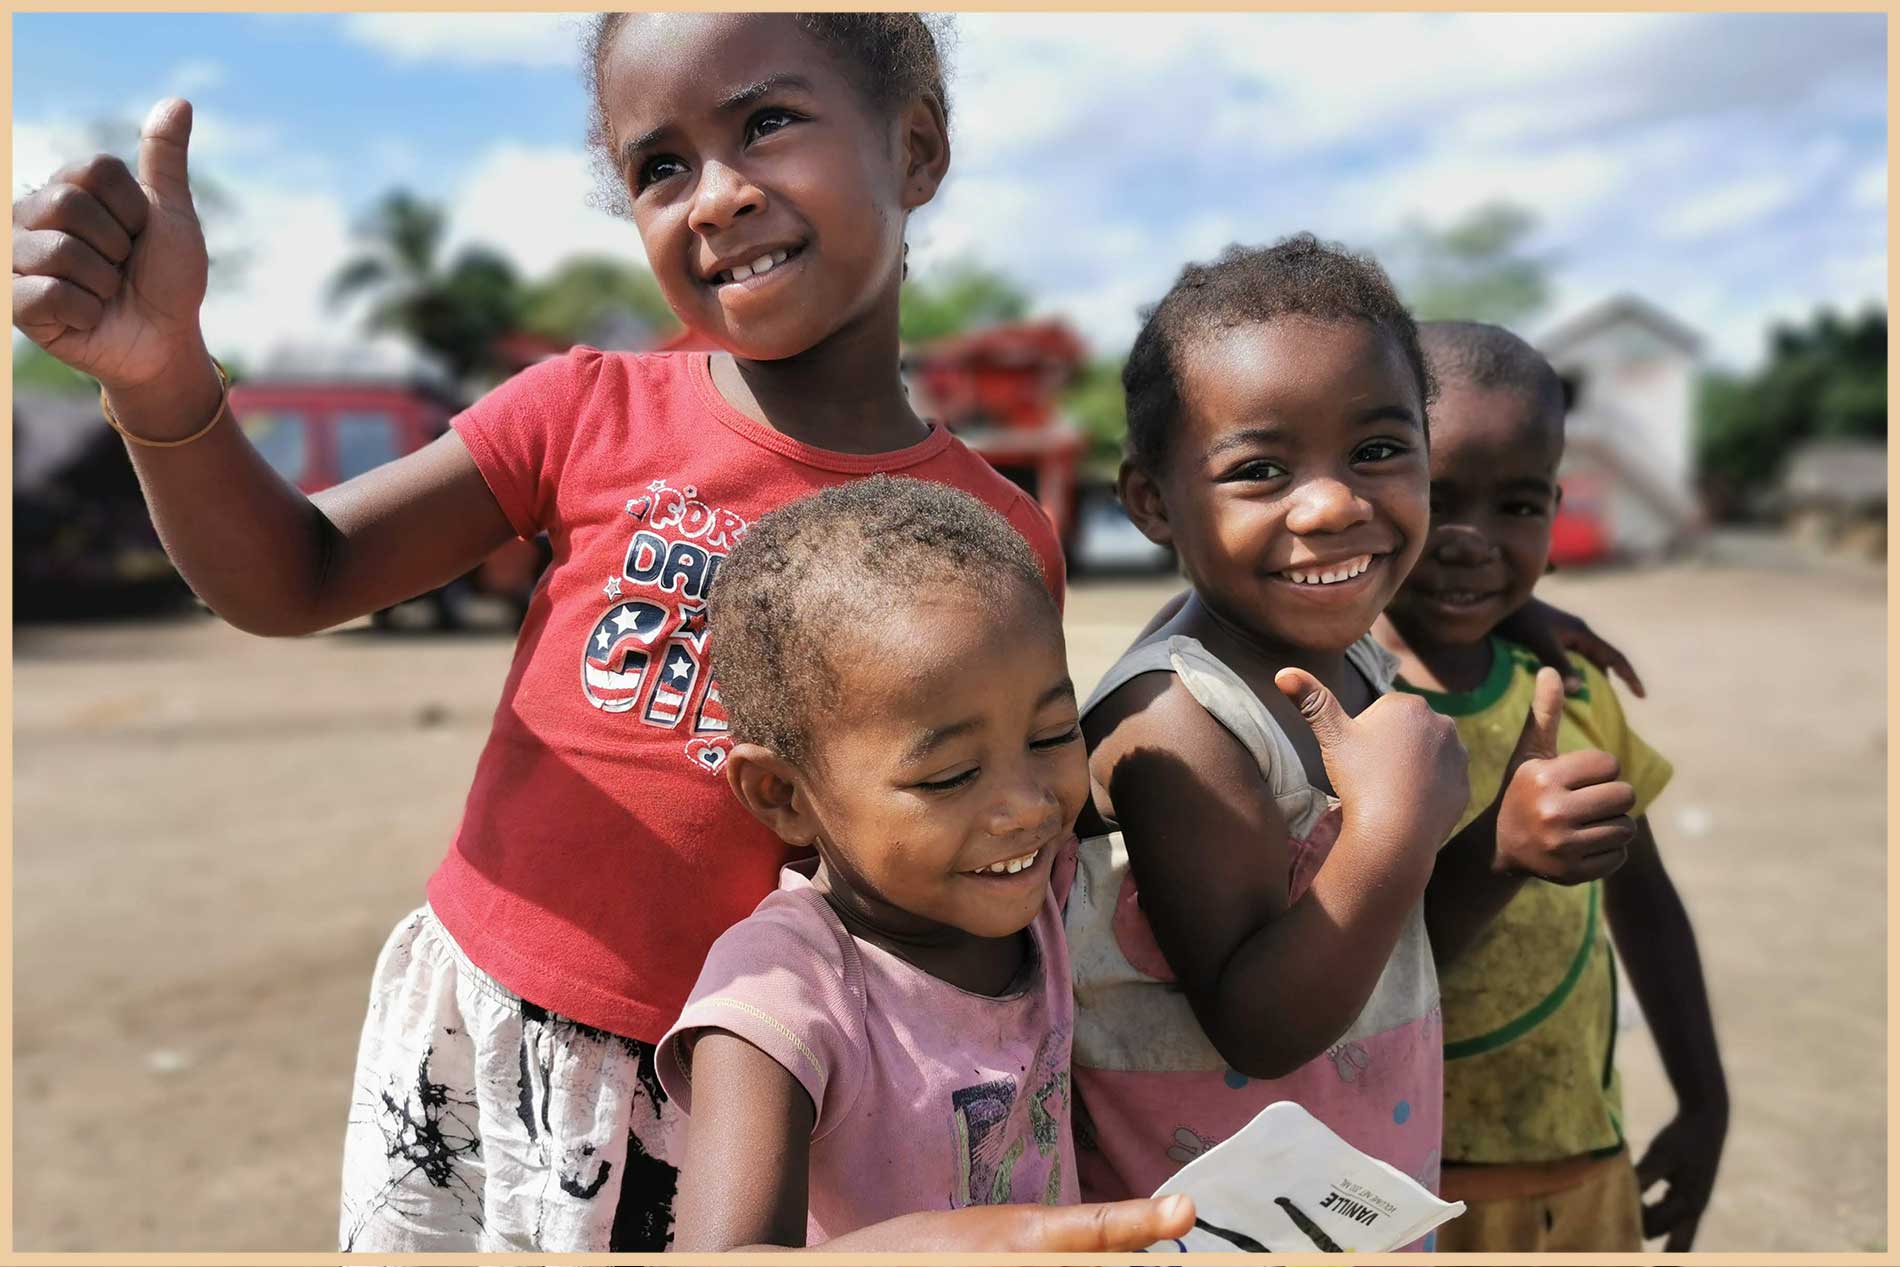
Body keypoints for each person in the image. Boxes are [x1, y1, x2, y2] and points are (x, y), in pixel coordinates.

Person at [11, 13, 1086, 1252]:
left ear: (914, 150)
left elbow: (1003, 829)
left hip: (782, 1091)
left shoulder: (994, 534)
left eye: (767, 124)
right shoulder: (585, 409)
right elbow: (294, 576)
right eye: (659, 166)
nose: (716, 197)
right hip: (501, 1038)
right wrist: (159, 384)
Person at [653, 476, 1196, 1251]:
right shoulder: (786, 989)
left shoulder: (1042, 890)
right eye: (948, 777)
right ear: (782, 793)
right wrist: (944, 1247)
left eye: (1049, 736)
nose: (1029, 807)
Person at [1066, 234, 1481, 1227]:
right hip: (1209, 1228)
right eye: (1260, 468)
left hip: (1341, 1203)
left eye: (1379, 451)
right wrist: (1391, 834)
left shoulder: (1357, 655)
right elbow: (1258, 1025)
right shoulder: (1180, 724)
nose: (1335, 502)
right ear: (1153, 503)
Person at [1376, 321, 1726, 1252]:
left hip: (1580, 1155)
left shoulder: (1570, 688)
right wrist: (1495, 852)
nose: (1472, 542)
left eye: (1518, 506)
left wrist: (1705, 1099)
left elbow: (1644, 902)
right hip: (1393, 1177)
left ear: (1556, 511)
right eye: (1438, 499)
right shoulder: (1335, 696)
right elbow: (1343, 957)